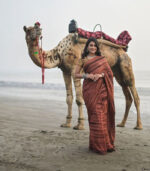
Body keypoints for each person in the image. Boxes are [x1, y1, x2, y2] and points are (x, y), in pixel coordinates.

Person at [74, 37, 115, 154]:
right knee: (94, 117)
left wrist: (100, 75)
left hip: (102, 90)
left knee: (102, 117)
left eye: (94, 45)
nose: (92, 47)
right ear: (87, 47)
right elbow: (76, 74)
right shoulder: (82, 60)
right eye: (90, 45)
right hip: (89, 91)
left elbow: (109, 74)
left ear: (97, 47)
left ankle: (105, 145)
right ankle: (97, 145)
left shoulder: (102, 59)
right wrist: (88, 76)